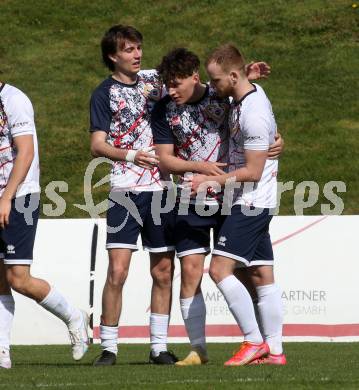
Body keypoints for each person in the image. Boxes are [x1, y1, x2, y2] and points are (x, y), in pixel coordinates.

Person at [152, 48, 283, 366]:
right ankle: (200, 349)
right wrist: (200, 167)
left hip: (233, 197)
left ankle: (262, 343)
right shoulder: (165, 110)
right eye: (167, 84)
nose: (171, 91)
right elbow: (165, 158)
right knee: (192, 271)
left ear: (195, 78)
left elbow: (256, 120)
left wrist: (275, 141)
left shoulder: (223, 95)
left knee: (250, 273)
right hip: (192, 198)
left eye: (176, 84)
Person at [190, 44, 286, 366]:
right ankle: (275, 352)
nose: (213, 87)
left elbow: (254, 171)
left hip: (252, 201)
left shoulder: (254, 112)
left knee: (219, 269)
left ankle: (253, 341)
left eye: (216, 81)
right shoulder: (243, 96)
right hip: (251, 199)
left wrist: (210, 181)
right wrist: (248, 75)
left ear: (233, 76)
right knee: (261, 274)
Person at [89, 25, 178, 366]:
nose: (137, 54)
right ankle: (109, 347)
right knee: (118, 272)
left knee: (163, 271)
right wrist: (130, 155)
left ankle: (159, 348)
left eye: (139, 47)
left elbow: (198, 86)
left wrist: (247, 79)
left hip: (159, 189)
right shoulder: (103, 93)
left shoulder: (155, 80)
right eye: (128, 49)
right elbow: (97, 145)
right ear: (113, 56)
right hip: (125, 190)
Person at [0, 82, 88, 369]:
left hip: (19, 196)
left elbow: (25, 153)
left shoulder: (13, 99)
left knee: (18, 278)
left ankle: (73, 316)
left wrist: (6, 197)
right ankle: (2, 352)